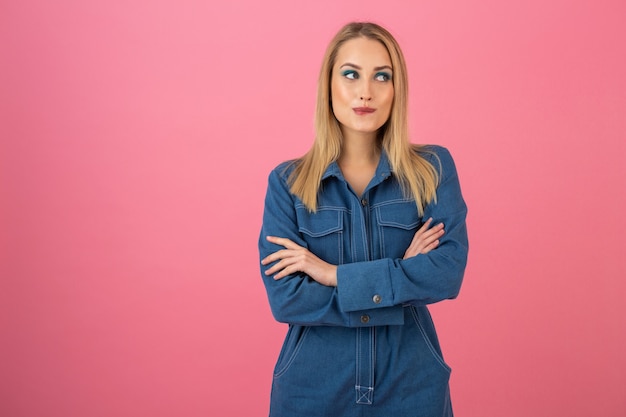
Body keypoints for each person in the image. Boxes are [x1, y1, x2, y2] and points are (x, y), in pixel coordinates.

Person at [258, 21, 468, 417]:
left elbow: (446, 272)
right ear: (329, 86)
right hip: (312, 389)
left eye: (381, 76)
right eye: (351, 74)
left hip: (412, 385)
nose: (365, 91)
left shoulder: (433, 169)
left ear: (396, 89)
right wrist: (401, 275)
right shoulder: (287, 183)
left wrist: (331, 274)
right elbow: (287, 300)